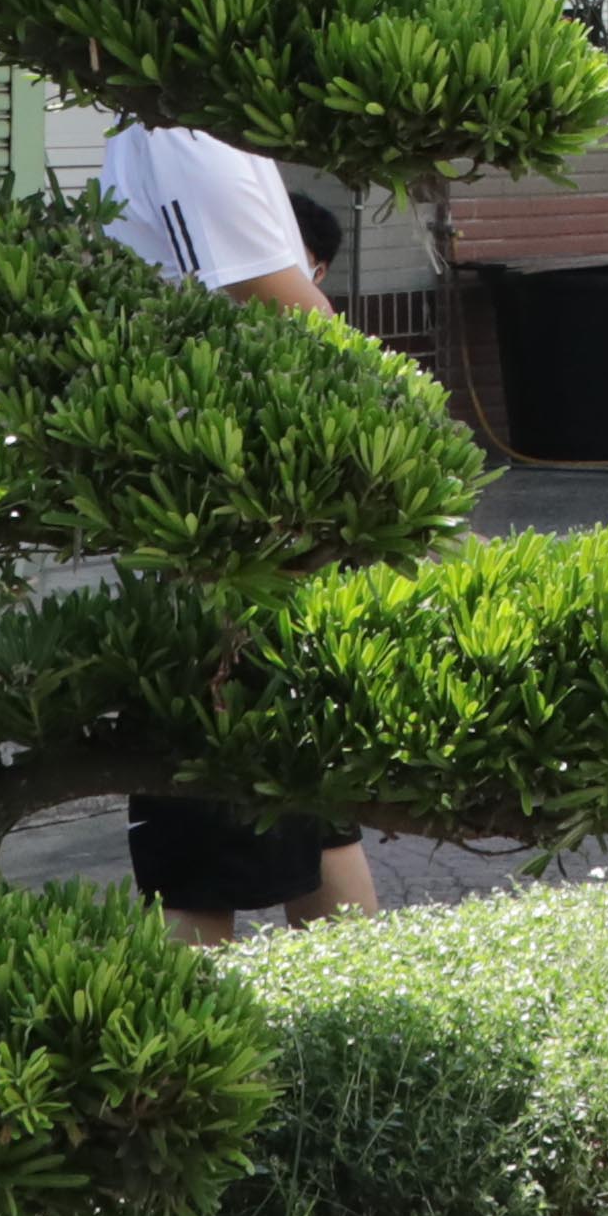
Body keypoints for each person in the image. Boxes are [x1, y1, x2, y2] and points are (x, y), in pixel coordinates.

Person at [98, 117, 382, 948]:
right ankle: (361, 1036)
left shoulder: (181, 133)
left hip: (222, 523)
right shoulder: (175, 130)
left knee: (199, 826)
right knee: (310, 804)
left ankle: (199, 1063)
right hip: (248, 511)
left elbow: (284, 304)